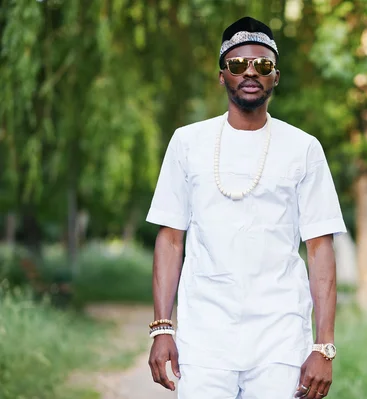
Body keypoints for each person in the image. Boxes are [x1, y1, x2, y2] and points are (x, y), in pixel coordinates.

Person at [145, 16, 346, 399]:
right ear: (223, 75)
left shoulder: (304, 148)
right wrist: (162, 328)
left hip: (280, 337)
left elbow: (320, 250)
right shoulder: (187, 142)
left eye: (262, 65)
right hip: (205, 335)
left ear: (275, 76)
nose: (250, 72)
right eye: (238, 65)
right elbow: (170, 240)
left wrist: (323, 346)